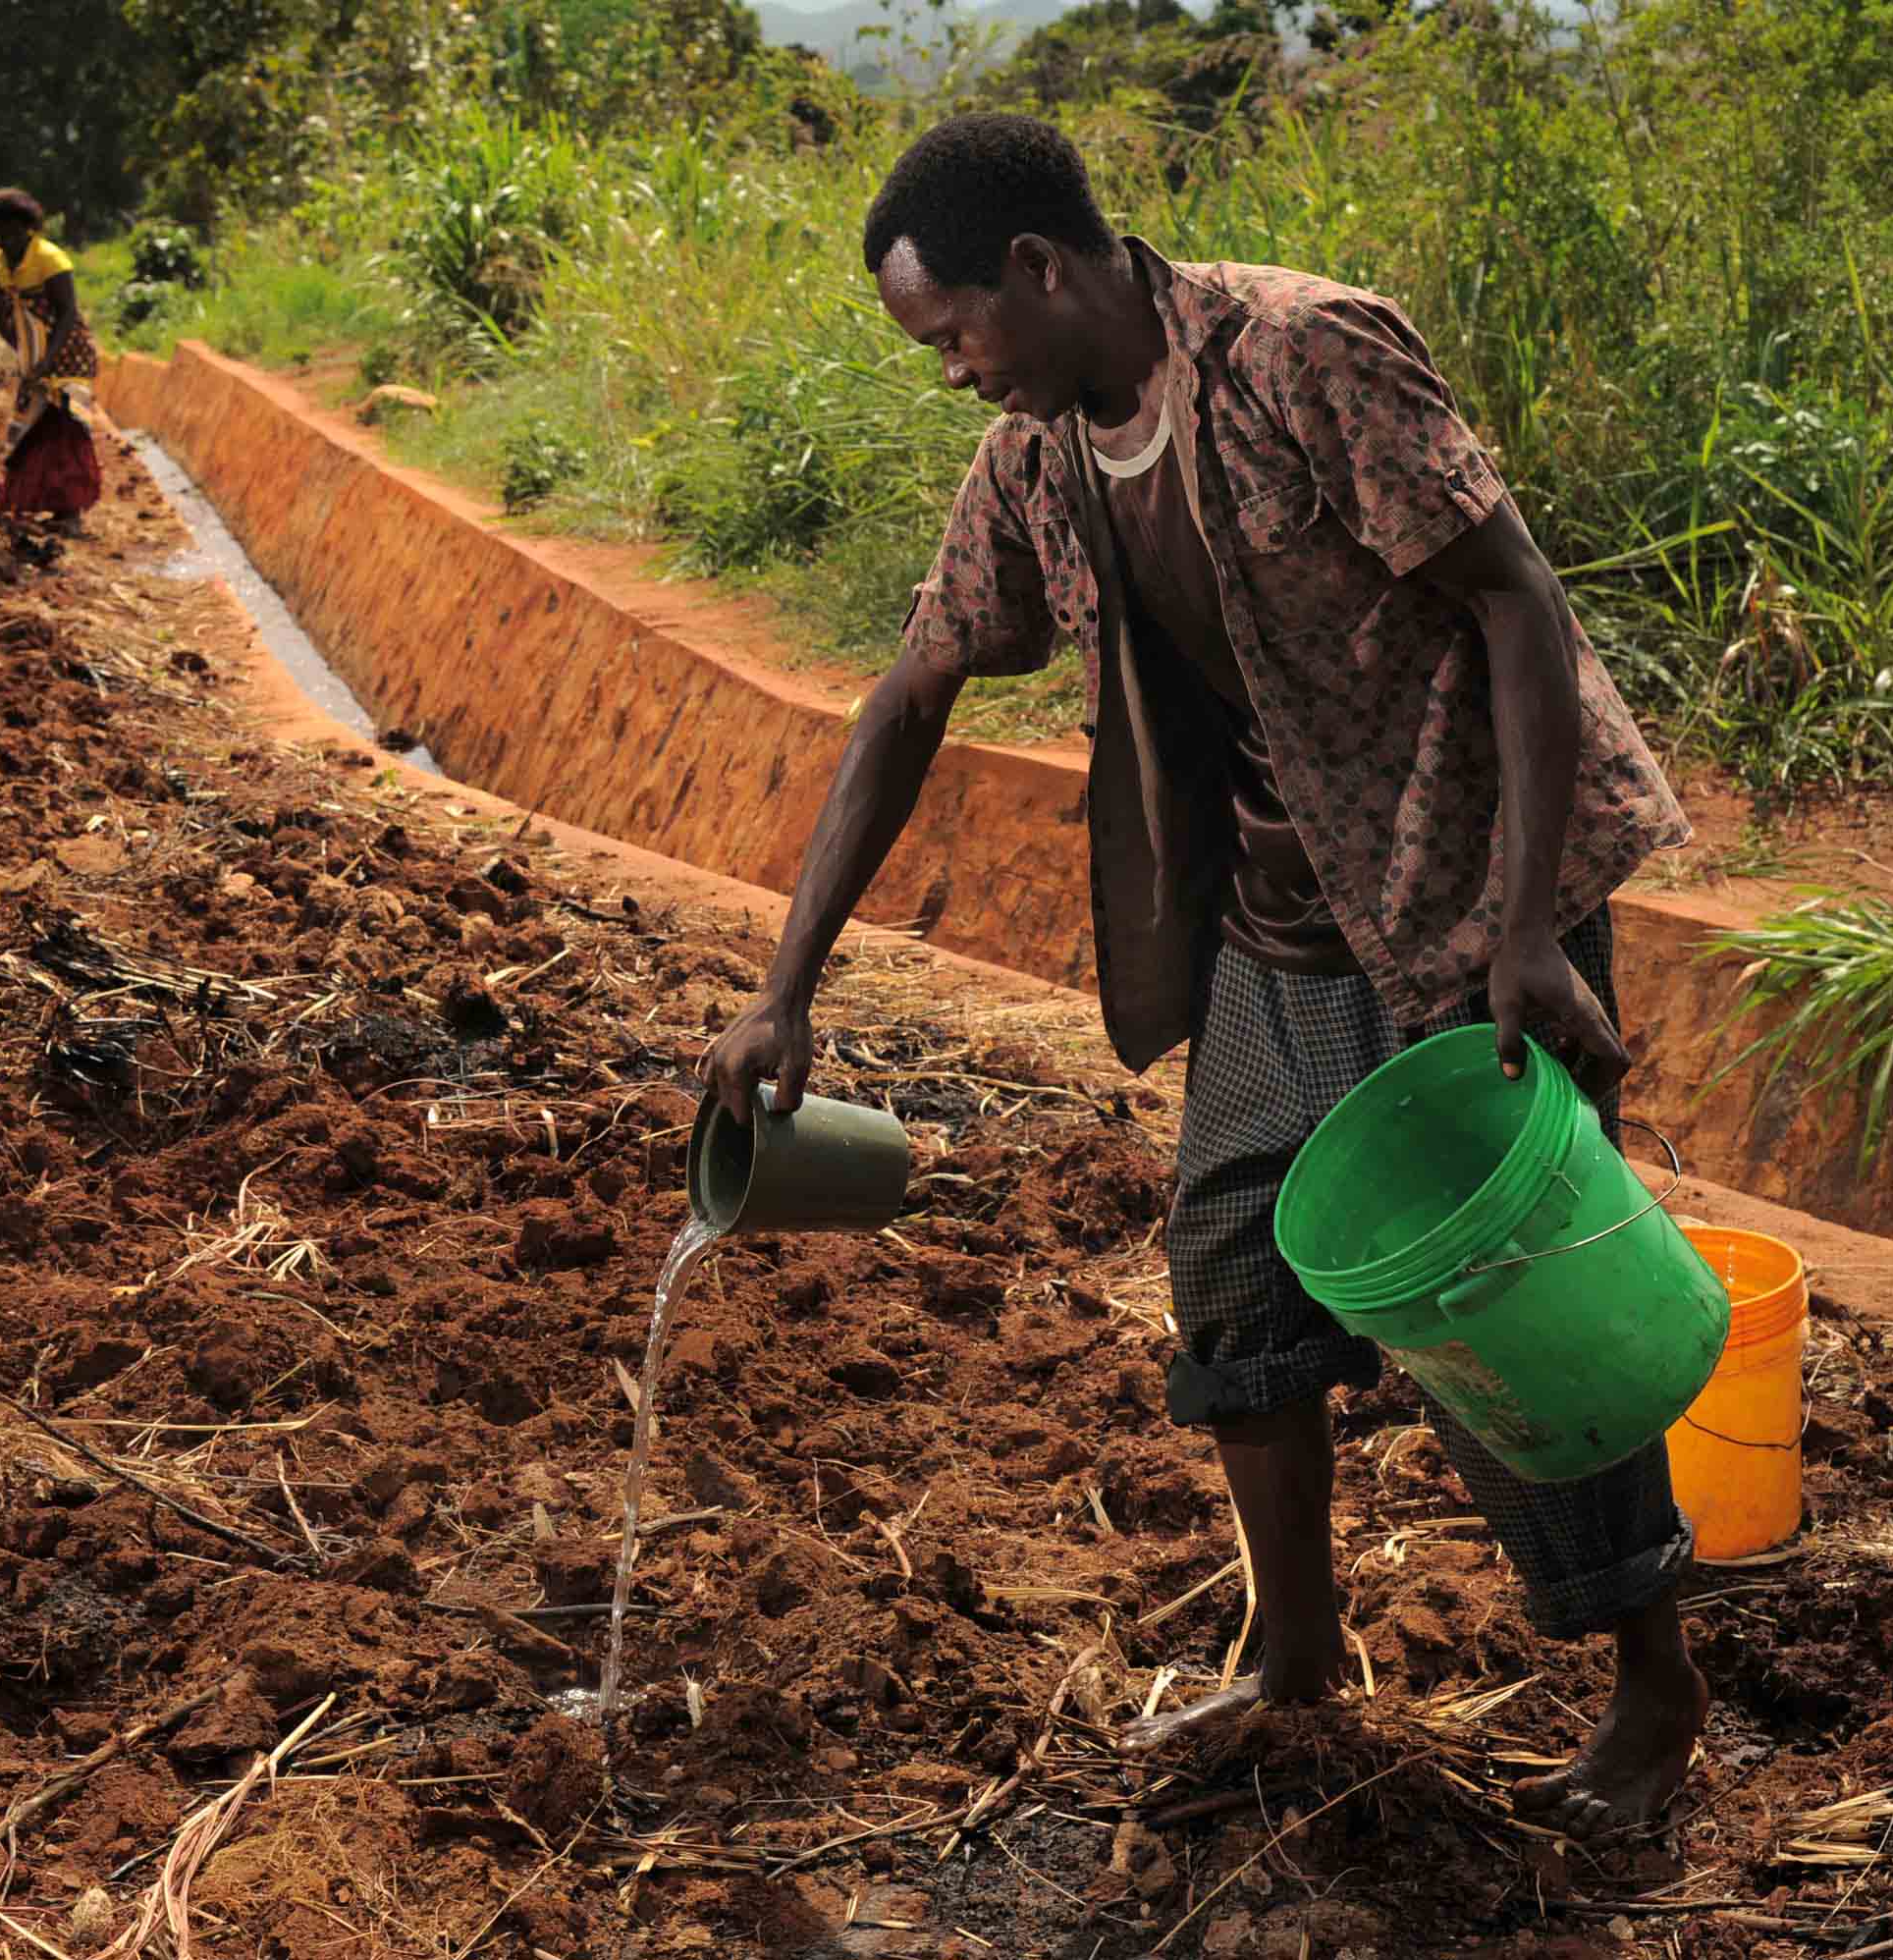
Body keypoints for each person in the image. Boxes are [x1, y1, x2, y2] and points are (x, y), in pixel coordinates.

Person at [701, 114, 1708, 1838]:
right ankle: (1299, 1647)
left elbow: (1518, 605)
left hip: (1459, 895)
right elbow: (909, 697)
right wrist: (786, 985)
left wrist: (1531, 927)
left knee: (1502, 1315)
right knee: (1233, 1278)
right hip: (1269, 929)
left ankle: (1651, 1683)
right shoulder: (1036, 463)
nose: (952, 374)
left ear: (1040, 265)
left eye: (954, 334)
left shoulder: (1299, 353)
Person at [0, 188, 101, 527]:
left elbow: (67, 314)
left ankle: (70, 511)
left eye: (11, 232)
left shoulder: (50, 259)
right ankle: (39, 500)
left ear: (27, 228)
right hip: (33, 355)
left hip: (68, 353)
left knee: (66, 426)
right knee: (35, 428)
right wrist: (23, 351)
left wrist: (48, 358)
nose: (5, 240)